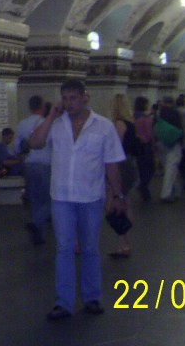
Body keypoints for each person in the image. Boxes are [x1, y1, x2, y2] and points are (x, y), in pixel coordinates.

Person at [28, 79, 126, 321]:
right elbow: (35, 143)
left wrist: (118, 195)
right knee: (64, 249)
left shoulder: (103, 126)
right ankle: (63, 302)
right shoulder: (56, 124)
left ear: (84, 97)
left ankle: (92, 297)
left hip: (91, 197)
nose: (69, 103)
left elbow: (112, 164)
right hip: (61, 196)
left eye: (73, 98)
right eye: (65, 98)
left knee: (90, 248)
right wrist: (51, 116)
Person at [15, 95, 52, 246]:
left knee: (35, 200)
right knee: (51, 200)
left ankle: (38, 236)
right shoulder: (46, 123)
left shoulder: (22, 124)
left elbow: (17, 148)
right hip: (45, 165)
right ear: (42, 106)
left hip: (28, 165)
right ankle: (36, 222)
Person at [107, 93, 137, 258]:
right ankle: (125, 243)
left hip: (120, 166)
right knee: (126, 203)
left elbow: (115, 146)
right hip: (129, 163)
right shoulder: (131, 124)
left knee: (116, 203)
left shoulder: (119, 124)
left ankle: (123, 243)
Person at [155, 96, 184, 202]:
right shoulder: (175, 113)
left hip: (160, 142)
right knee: (171, 168)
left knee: (170, 167)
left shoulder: (158, 113)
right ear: (172, 102)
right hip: (173, 143)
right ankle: (165, 194)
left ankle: (177, 190)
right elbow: (180, 128)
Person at [133, 96, 155, 201]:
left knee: (141, 167)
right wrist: (153, 145)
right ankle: (143, 187)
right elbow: (150, 134)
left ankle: (142, 187)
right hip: (146, 145)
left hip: (137, 144)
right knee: (150, 167)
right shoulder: (146, 118)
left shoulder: (132, 116)